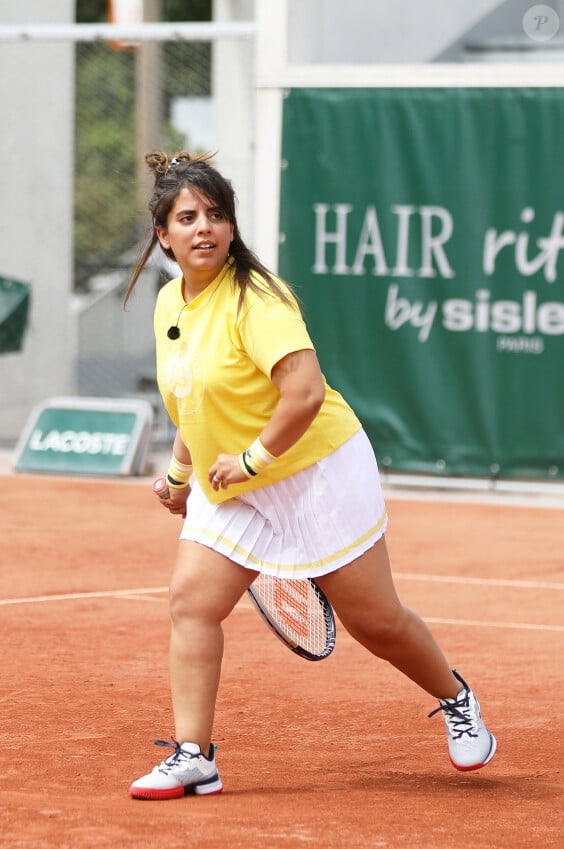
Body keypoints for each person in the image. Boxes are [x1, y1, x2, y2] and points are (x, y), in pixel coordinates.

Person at [125, 151, 496, 800]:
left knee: (376, 622)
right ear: (164, 234)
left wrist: (248, 462)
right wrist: (181, 474)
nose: (204, 228)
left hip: (311, 466)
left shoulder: (258, 298)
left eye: (216, 214)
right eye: (188, 218)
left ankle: (455, 695)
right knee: (191, 601)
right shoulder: (168, 305)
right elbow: (191, 398)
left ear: (232, 227)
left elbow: (303, 394)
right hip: (233, 476)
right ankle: (194, 755)